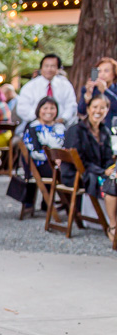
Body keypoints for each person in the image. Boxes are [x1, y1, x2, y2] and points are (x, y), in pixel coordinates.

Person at [63, 94, 116, 239]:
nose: (98, 111)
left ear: (107, 110)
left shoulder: (104, 131)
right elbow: (78, 161)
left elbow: (107, 157)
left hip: (96, 172)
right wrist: (103, 171)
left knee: (114, 176)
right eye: (95, 107)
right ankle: (112, 224)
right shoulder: (76, 130)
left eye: (102, 107)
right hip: (77, 175)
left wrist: (109, 168)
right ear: (88, 109)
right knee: (111, 181)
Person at [20, 96, 66, 215]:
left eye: (52, 108)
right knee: (61, 173)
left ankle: (73, 207)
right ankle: (67, 205)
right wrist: (53, 159)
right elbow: (33, 151)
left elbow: (66, 146)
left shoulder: (60, 127)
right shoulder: (33, 127)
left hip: (60, 163)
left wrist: (61, 158)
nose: (49, 111)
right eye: (45, 108)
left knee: (73, 172)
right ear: (39, 110)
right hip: (39, 164)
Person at [16, 53, 78, 131]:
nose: (49, 69)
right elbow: (22, 108)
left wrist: (62, 119)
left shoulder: (65, 85)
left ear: (58, 69)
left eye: (52, 66)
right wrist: (41, 119)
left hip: (61, 126)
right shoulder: (30, 86)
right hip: (34, 125)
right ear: (41, 68)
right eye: (46, 66)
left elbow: (71, 106)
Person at [78, 57, 117, 131]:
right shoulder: (90, 89)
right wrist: (88, 94)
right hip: (91, 129)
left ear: (114, 74)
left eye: (106, 71)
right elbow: (81, 111)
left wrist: (105, 91)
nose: (102, 74)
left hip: (112, 128)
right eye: (99, 71)